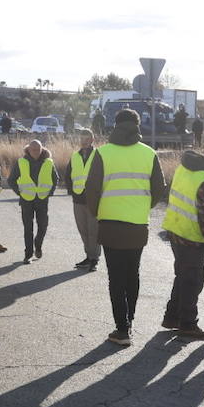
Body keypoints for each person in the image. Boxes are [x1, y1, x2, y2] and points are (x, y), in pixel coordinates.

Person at [83, 108, 167, 347]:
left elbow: (92, 189)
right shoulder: (149, 153)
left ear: (115, 125)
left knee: (116, 277)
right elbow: (159, 188)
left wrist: (97, 212)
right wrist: (142, 206)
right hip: (137, 223)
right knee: (133, 273)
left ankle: (121, 329)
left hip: (109, 222)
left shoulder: (103, 153)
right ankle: (129, 319)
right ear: (138, 125)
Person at [162, 140, 204, 340]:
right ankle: (188, 324)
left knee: (182, 277)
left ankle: (172, 317)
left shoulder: (185, 168)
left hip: (175, 230)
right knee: (193, 281)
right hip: (191, 237)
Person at [8, 139, 57, 264]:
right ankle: (28, 255)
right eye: (33, 149)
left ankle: (38, 244)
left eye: (38, 150)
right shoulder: (21, 162)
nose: (35, 152)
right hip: (27, 201)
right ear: (28, 150)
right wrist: (20, 193)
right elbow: (11, 180)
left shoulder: (48, 162)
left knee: (43, 226)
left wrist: (49, 193)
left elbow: (55, 179)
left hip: (42, 200)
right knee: (27, 228)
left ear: (42, 150)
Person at [68, 129, 101, 271]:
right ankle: (88, 256)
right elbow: (68, 175)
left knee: (94, 231)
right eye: (82, 138)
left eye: (87, 138)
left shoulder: (98, 155)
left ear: (92, 140)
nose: (84, 141)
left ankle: (94, 259)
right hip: (78, 199)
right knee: (83, 230)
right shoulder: (75, 156)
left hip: (93, 199)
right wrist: (72, 192)